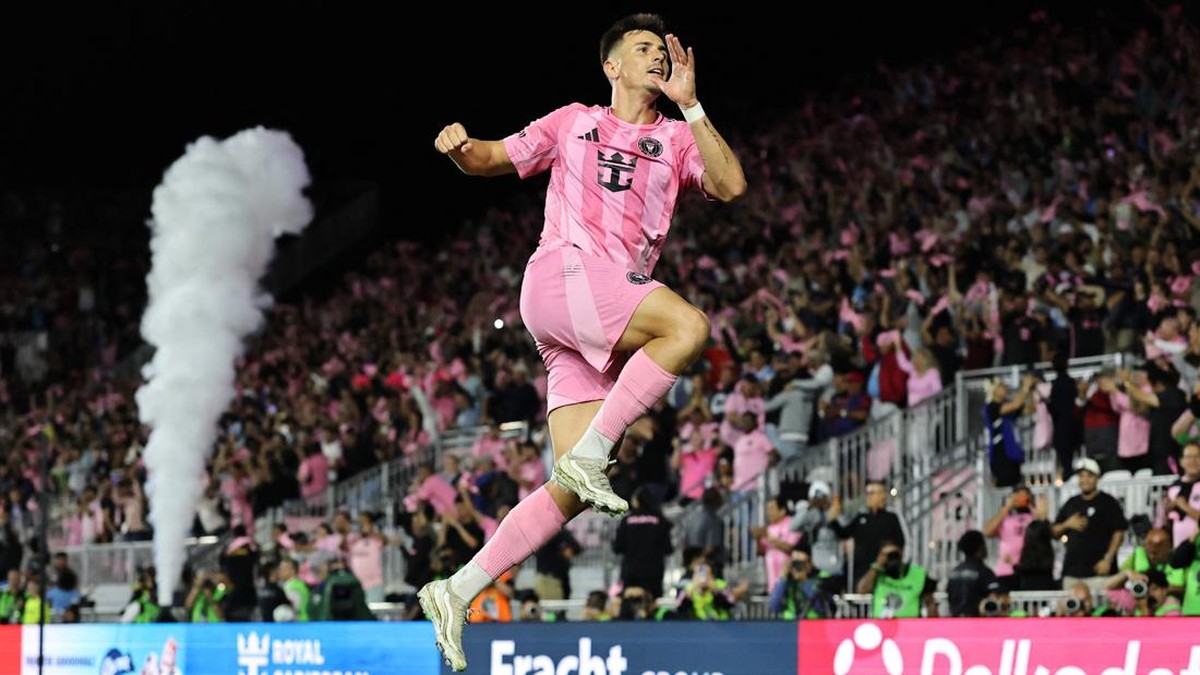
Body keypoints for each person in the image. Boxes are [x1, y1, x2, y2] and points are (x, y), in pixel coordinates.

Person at [419, 12, 746, 671]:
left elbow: (731, 186)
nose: (657, 56)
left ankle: (456, 589)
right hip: (563, 276)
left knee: (569, 490)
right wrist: (459, 147)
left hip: (596, 318)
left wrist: (693, 105)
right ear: (612, 66)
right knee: (688, 328)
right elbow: (489, 158)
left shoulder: (677, 138)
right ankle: (591, 454)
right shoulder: (573, 121)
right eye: (643, 48)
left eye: (662, 49)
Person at [946, 530, 997, 617]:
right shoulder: (984, 571)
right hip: (976, 620)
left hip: (955, 619)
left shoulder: (954, 572)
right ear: (980, 548)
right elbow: (994, 598)